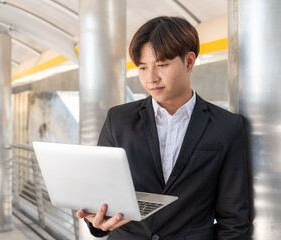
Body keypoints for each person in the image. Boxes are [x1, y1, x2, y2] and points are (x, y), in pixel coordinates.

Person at [77, 16, 249, 240]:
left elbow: (234, 220)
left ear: (189, 61)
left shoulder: (227, 126)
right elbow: (99, 195)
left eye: (161, 65)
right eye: (142, 67)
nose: (151, 78)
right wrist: (96, 221)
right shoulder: (118, 119)